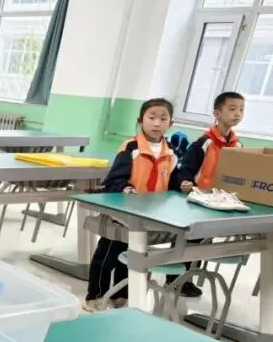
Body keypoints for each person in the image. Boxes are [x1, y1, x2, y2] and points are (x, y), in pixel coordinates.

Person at [84, 98, 184, 312]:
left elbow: (173, 181)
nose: (157, 123)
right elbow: (114, 179)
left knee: (132, 255)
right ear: (140, 121)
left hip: (148, 216)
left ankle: (121, 295)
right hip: (121, 214)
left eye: (163, 119)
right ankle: (95, 296)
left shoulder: (171, 151)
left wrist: (182, 185)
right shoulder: (131, 147)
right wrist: (126, 188)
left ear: (170, 124)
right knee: (107, 255)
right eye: (152, 117)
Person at [168, 91, 247, 298]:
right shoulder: (203, 143)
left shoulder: (238, 145)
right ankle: (175, 279)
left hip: (218, 201)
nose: (237, 114)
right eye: (232, 109)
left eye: (241, 110)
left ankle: (188, 279)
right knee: (187, 241)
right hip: (196, 200)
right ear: (217, 113)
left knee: (204, 243)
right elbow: (187, 168)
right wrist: (186, 182)